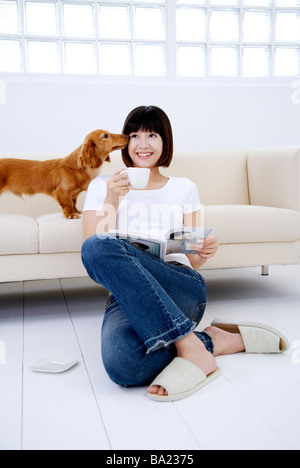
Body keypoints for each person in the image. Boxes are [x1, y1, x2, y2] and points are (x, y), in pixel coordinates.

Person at [81, 106, 289, 402]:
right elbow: (94, 251)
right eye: (135, 135)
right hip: (127, 294)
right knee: (124, 366)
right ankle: (205, 341)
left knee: (117, 256)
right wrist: (113, 198)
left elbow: (191, 259)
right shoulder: (102, 186)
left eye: (152, 135)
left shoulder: (184, 188)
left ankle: (191, 348)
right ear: (124, 142)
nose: (142, 144)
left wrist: (204, 252)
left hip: (180, 285)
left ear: (165, 141)